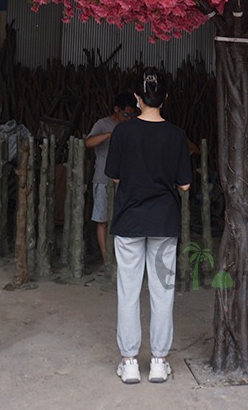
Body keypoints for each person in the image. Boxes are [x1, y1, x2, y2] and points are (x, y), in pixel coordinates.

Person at [105, 67, 192, 385]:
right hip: (164, 222)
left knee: (128, 292)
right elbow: (184, 184)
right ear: (165, 97)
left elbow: (114, 176)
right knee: (162, 292)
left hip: (129, 219)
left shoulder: (122, 133)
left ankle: (129, 362)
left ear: (137, 98)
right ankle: (158, 361)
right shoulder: (176, 135)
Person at [84, 93, 138, 271]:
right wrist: (109, 135)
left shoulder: (132, 126)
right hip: (103, 178)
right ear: (116, 109)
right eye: (126, 114)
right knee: (102, 220)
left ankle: (123, 258)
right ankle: (107, 259)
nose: (129, 118)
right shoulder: (102, 124)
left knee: (125, 218)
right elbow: (88, 142)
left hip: (126, 180)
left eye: (132, 115)